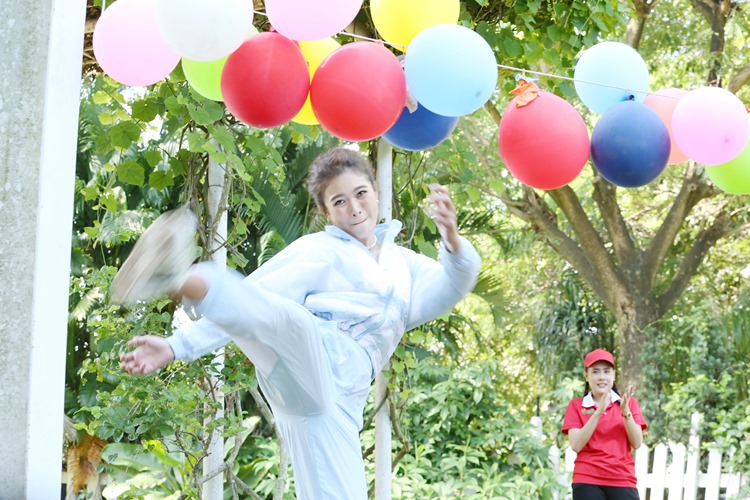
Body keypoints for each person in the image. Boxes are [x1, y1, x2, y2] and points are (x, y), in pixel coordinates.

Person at [112, 147, 482, 499]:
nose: (354, 208)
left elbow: (450, 286)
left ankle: (181, 279)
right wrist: (177, 345)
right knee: (285, 319)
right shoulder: (318, 250)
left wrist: (451, 238)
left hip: (345, 402)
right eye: (339, 201)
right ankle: (178, 278)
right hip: (311, 353)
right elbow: (257, 297)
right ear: (325, 211)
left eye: (360, 194)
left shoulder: (402, 264)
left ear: (376, 191)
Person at [561, 349, 648, 500]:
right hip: (587, 478)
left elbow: (637, 443)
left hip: (622, 478)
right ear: (586, 376)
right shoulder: (576, 405)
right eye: (595, 372)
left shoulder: (629, 403)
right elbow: (575, 445)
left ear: (613, 375)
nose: (601, 377)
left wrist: (625, 412)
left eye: (606, 371)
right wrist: (598, 412)